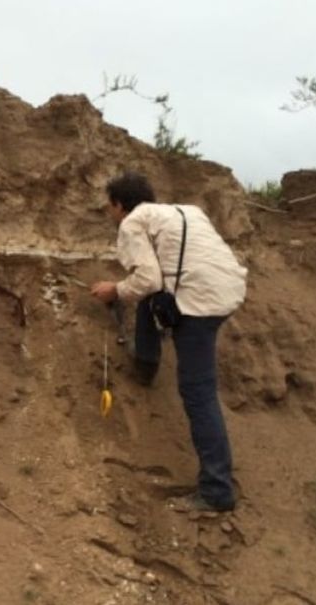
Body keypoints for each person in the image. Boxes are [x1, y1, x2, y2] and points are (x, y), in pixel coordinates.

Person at [90, 170, 247, 512]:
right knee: (151, 297)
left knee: (198, 392)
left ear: (120, 205)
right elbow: (158, 278)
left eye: (110, 207)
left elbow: (147, 276)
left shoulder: (132, 223)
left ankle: (216, 491)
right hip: (228, 290)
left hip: (200, 304)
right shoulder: (188, 211)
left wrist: (114, 290)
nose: (110, 214)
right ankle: (146, 363)